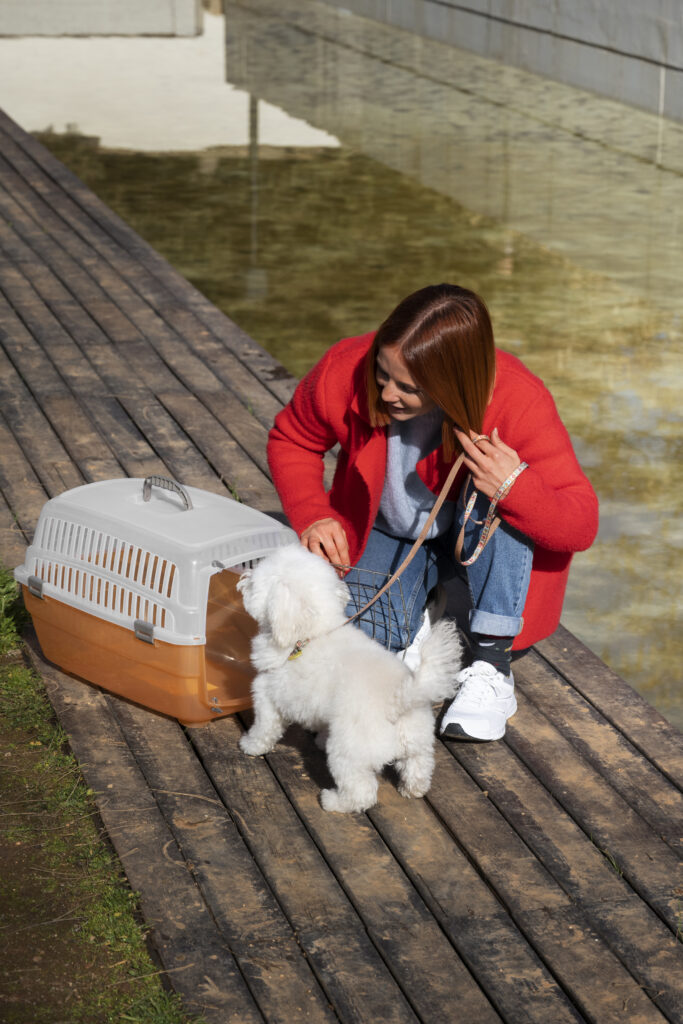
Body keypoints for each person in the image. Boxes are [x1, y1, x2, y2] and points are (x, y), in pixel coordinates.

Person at [267, 284, 599, 741]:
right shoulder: (346, 365)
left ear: (454, 383)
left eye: (410, 387)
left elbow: (580, 524)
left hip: (474, 535)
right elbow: (293, 438)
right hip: (389, 530)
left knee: (504, 487)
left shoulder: (519, 398)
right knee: (366, 647)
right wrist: (313, 513)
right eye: (383, 373)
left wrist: (514, 486)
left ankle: (491, 666)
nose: (387, 394)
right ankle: (419, 615)